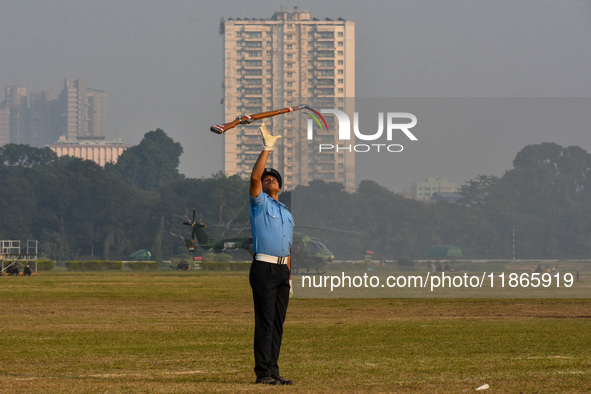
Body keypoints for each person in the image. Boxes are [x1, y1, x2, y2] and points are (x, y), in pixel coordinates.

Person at [248, 123, 294, 385]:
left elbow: (288, 247)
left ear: (280, 186)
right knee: (264, 321)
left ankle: (273, 370)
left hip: (281, 271)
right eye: (267, 178)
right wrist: (267, 148)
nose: (269, 179)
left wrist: (289, 278)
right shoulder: (259, 204)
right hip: (264, 268)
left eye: (273, 178)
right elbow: (254, 178)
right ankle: (263, 372)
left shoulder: (286, 212)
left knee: (277, 323)